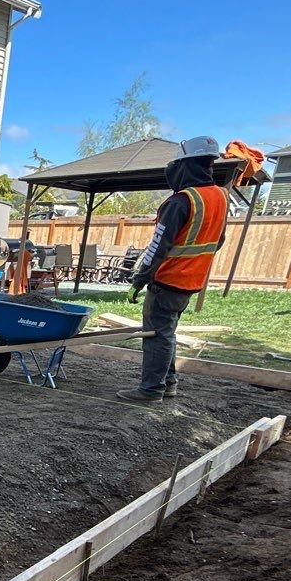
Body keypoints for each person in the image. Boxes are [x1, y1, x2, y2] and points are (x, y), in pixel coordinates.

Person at [116, 136, 228, 402]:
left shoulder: (181, 201)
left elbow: (158, 246)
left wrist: (139, 280)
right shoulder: (219, 198)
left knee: (156, 336)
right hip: (191, 282)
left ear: (185, 165)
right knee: (167, 334)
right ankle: (168, 383)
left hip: (168, 280)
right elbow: (219, 240)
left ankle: (151, 389)